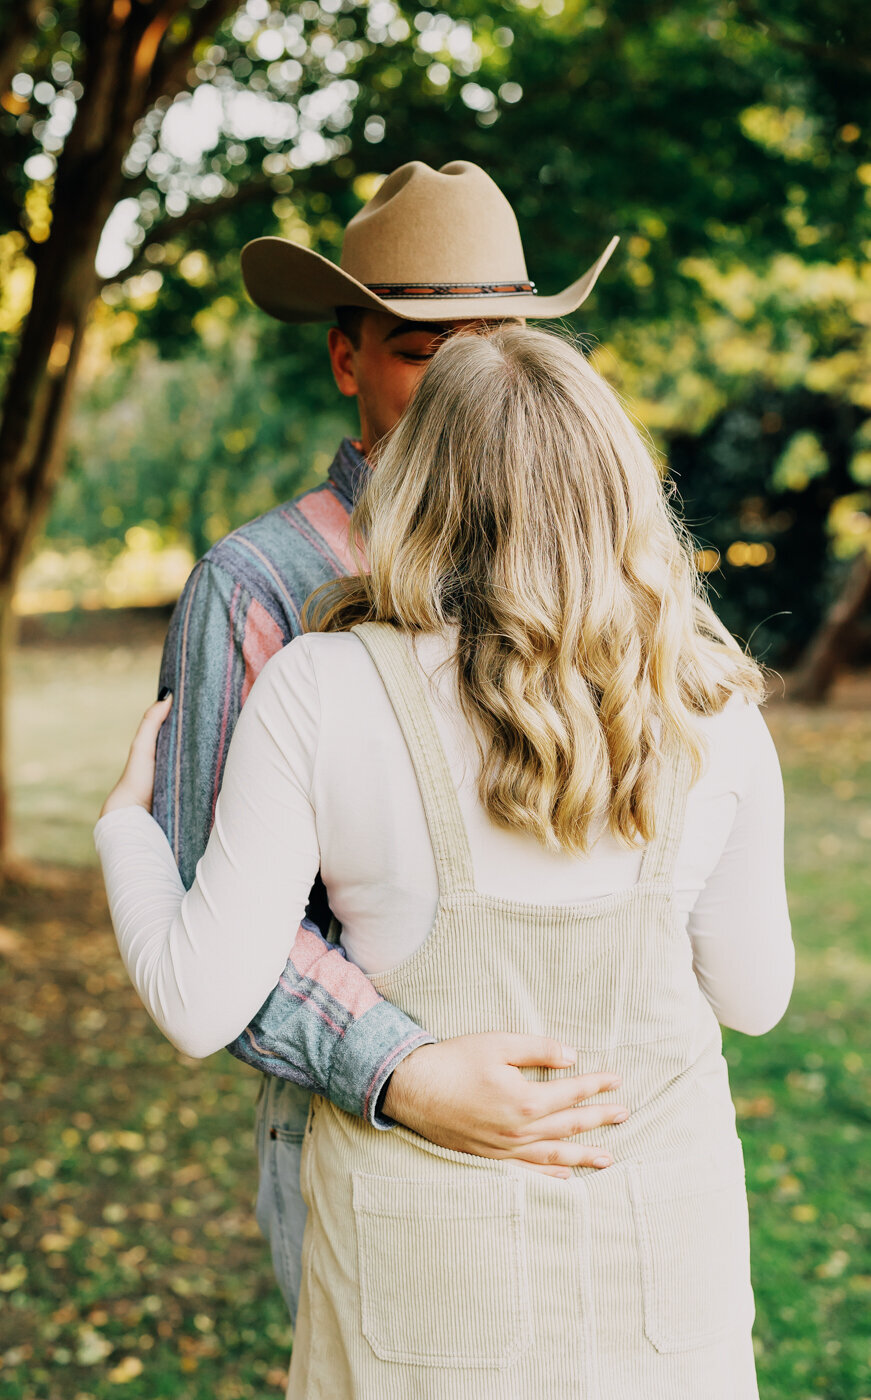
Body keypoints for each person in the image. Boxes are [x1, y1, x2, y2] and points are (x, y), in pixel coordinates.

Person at [97, 324, 794, 1397]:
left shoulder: (323, 690)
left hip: (423, 1302)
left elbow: (197, 1000)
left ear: (417, 482)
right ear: (618, 486)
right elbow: (751, 997)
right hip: (668, 1295)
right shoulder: (716, 710)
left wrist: (126, 836)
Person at [147, 156, 621, 1320]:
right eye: (423, 350)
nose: (471, 386)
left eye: (492, 341)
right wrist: (405, 1070)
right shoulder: (259, 585)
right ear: (345, 355)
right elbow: (221, 914)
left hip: (589, 1121)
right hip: (363, 1128)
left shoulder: (608, 576)